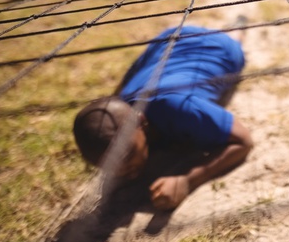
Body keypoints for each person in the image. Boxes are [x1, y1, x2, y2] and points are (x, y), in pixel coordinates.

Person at [73, 24, 253, 211]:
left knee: (234, 38)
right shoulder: (122, 108)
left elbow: (243, 141)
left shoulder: (179, 107)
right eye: (106, 164)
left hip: (217, 47)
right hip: (168, 40)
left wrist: (187, 180)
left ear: (142, 120)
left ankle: (237, 29)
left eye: (127, 155)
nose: (120, 170)